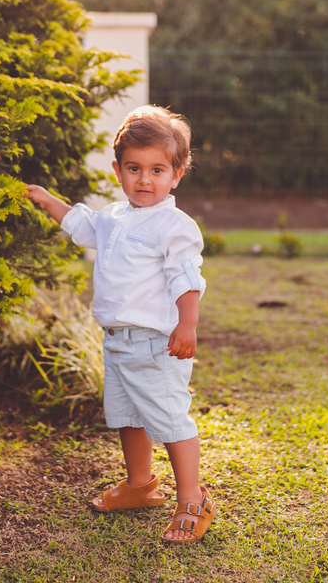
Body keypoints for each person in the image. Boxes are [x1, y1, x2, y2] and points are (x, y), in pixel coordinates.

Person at [24, 105, 217, 544]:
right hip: (117, 343)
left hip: (155, 344)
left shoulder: (174, 226)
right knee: (129, 417)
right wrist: (46, 199)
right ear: (118, 171)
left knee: (170, 420)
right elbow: (82, 226)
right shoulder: (112, 218)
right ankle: (140, 485)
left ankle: (192, 499)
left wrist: (187, 325)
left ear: (176, 175)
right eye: (134, 169)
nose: (144, 180)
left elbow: (186, 278)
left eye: (157, 170)